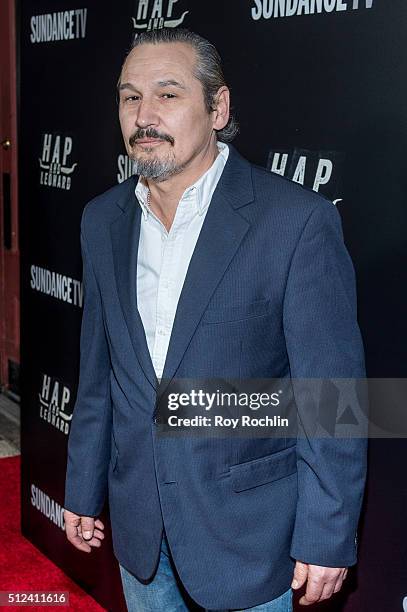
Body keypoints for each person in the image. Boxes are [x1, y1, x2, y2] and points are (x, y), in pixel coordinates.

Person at [63, 27, 367, 612]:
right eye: (130, 97)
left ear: (218, 106)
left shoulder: (294, 221)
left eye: (167, 94)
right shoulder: (101, 221)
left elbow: (332, 397)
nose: (144, 114)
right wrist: (81, 488)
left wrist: (328, 533)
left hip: (251, 536)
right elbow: (100, 378)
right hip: (140, 533)